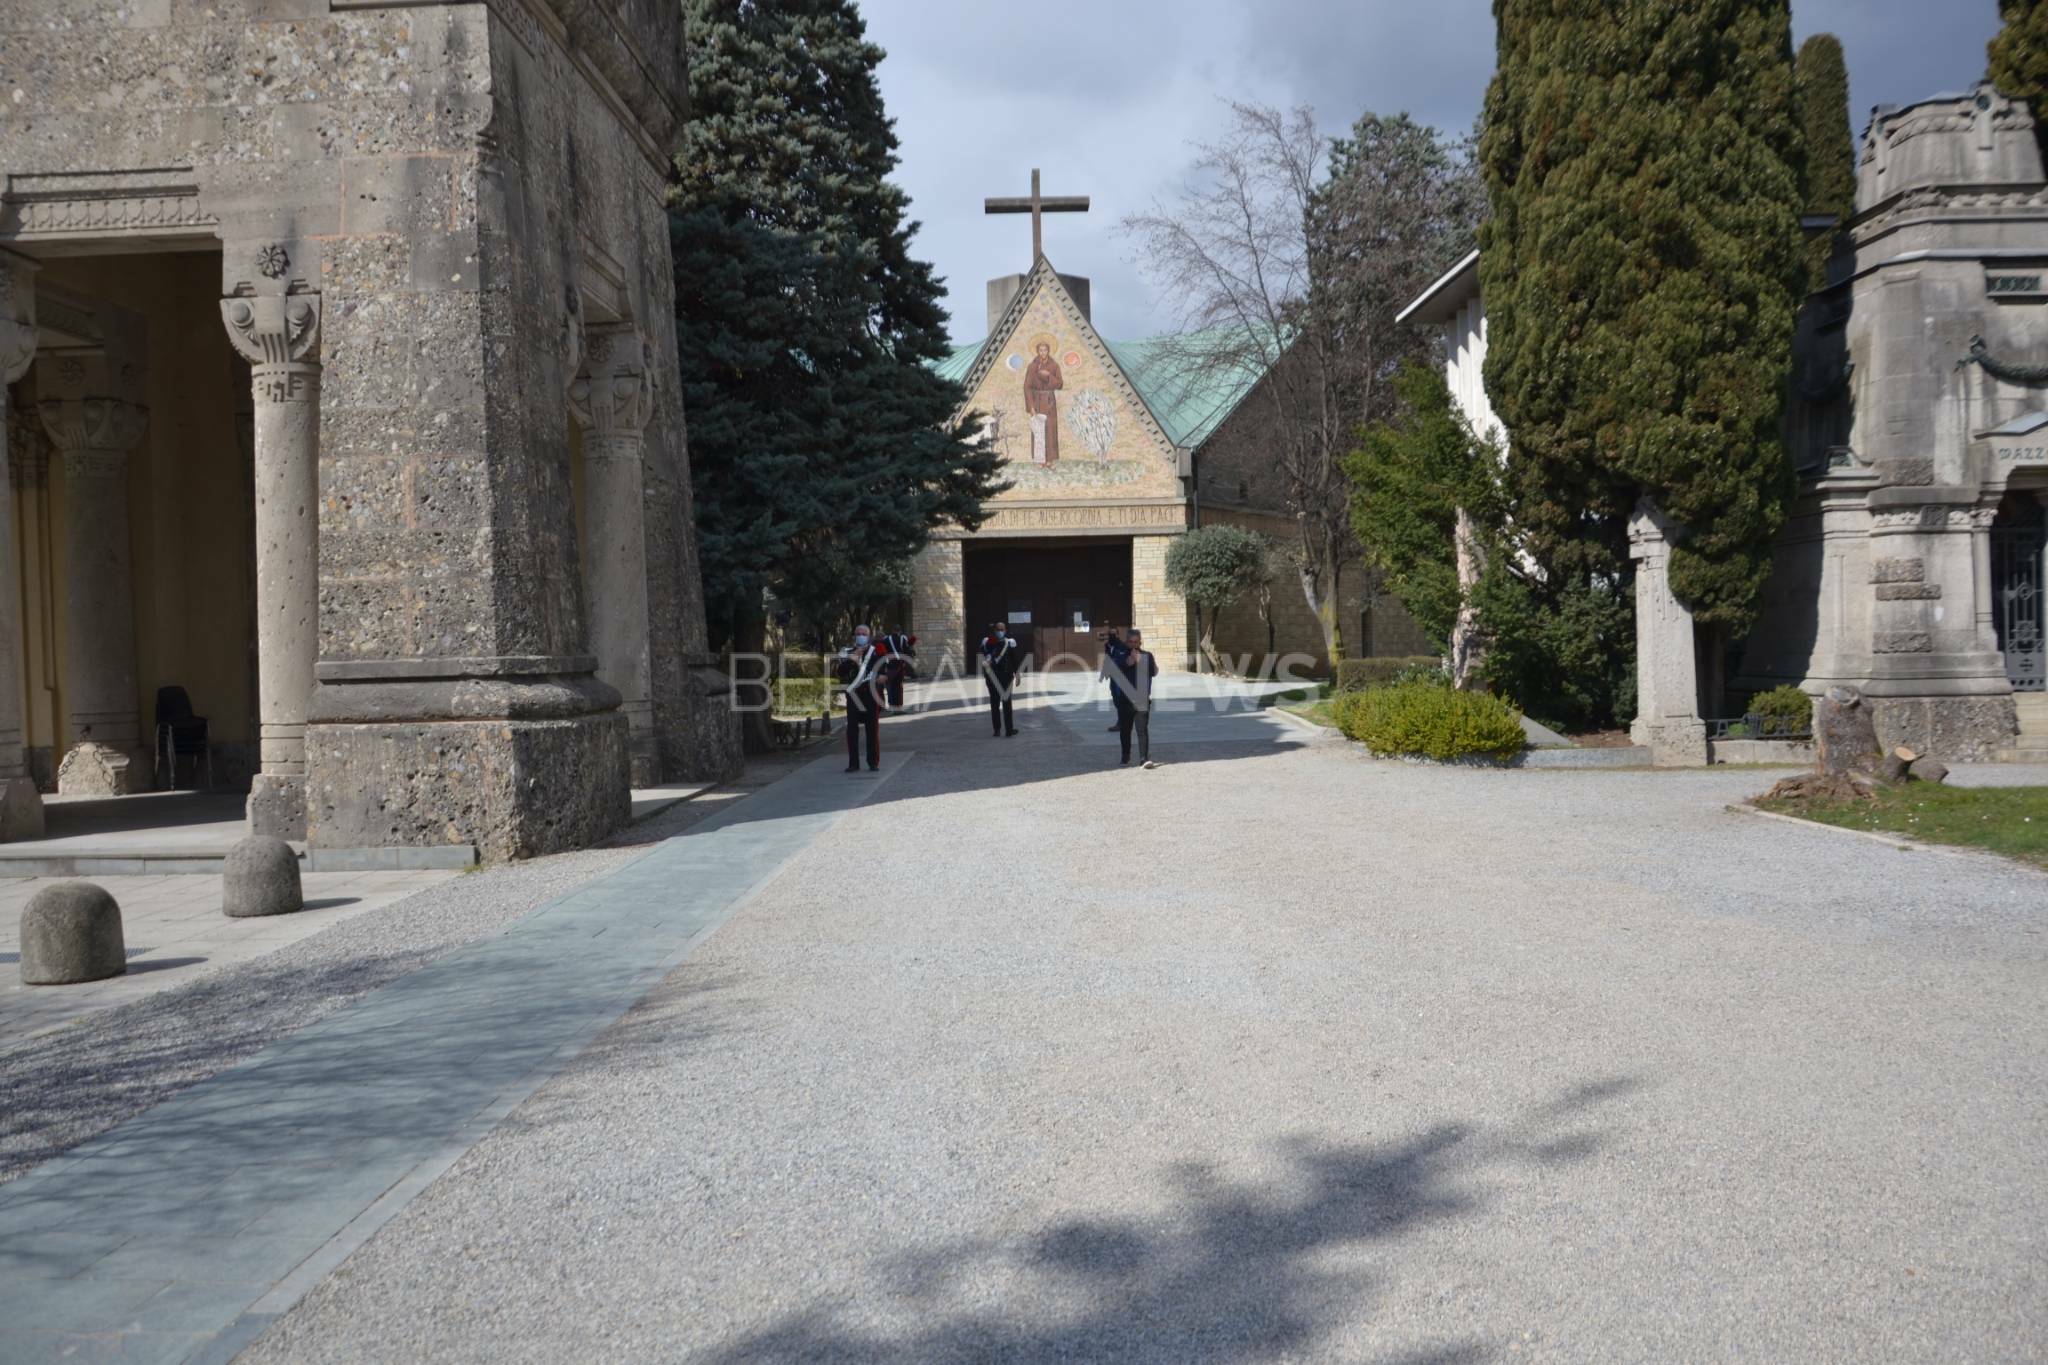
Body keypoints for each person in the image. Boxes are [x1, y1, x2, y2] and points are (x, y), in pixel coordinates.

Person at [834, 623, 887, 772]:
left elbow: (883, 670)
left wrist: (883, 676)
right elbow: (840, 672)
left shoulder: (875, 651)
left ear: (869, 636)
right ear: (854, 636)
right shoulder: (846, 652)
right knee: (852, 729)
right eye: (858, 634)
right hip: (853, 695)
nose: (861, 636)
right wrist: (853, 658)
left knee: (872, 728)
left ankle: (873, 762)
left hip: (870, 694)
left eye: (864, 634)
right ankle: (853, 763)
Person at [1105, 626, 1159, 768]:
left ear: (1140, 642)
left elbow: (1154, 672)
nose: (1134, 645)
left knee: (1142, 730)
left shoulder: (1147, 655)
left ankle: (1143, 758)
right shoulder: (1120, 654)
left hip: (1141, 698)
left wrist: (1143, 662)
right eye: (1131, 642)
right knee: (1125, 730)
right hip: (1125, 699)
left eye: (1137, 642)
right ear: (1126, 641)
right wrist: (1129, 661)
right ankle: (1125, 756)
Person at [980, 621, 1023, 737]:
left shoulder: (1010, 643)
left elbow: (1014, 659)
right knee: (994, 704)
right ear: (994, 631)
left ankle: (1009, 730)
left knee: (1007, 704)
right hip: (992, 677)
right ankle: (997, 730)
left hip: (1006, 677)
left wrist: (1017, 674)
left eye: (1002, 629)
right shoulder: (988, 642)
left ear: (1005, 631)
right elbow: (984, 656)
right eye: (998, 629)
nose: (1000, 632)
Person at [880, 626, 916, 709]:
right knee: (899, 686)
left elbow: (883, 652)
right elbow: (906, 650)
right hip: (900, 665)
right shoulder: (903, 638)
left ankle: (891, 704)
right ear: (899, 631)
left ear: (892, 630)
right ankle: (899, 704)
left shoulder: (886, 639)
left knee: (890, 685)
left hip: (890, 665)